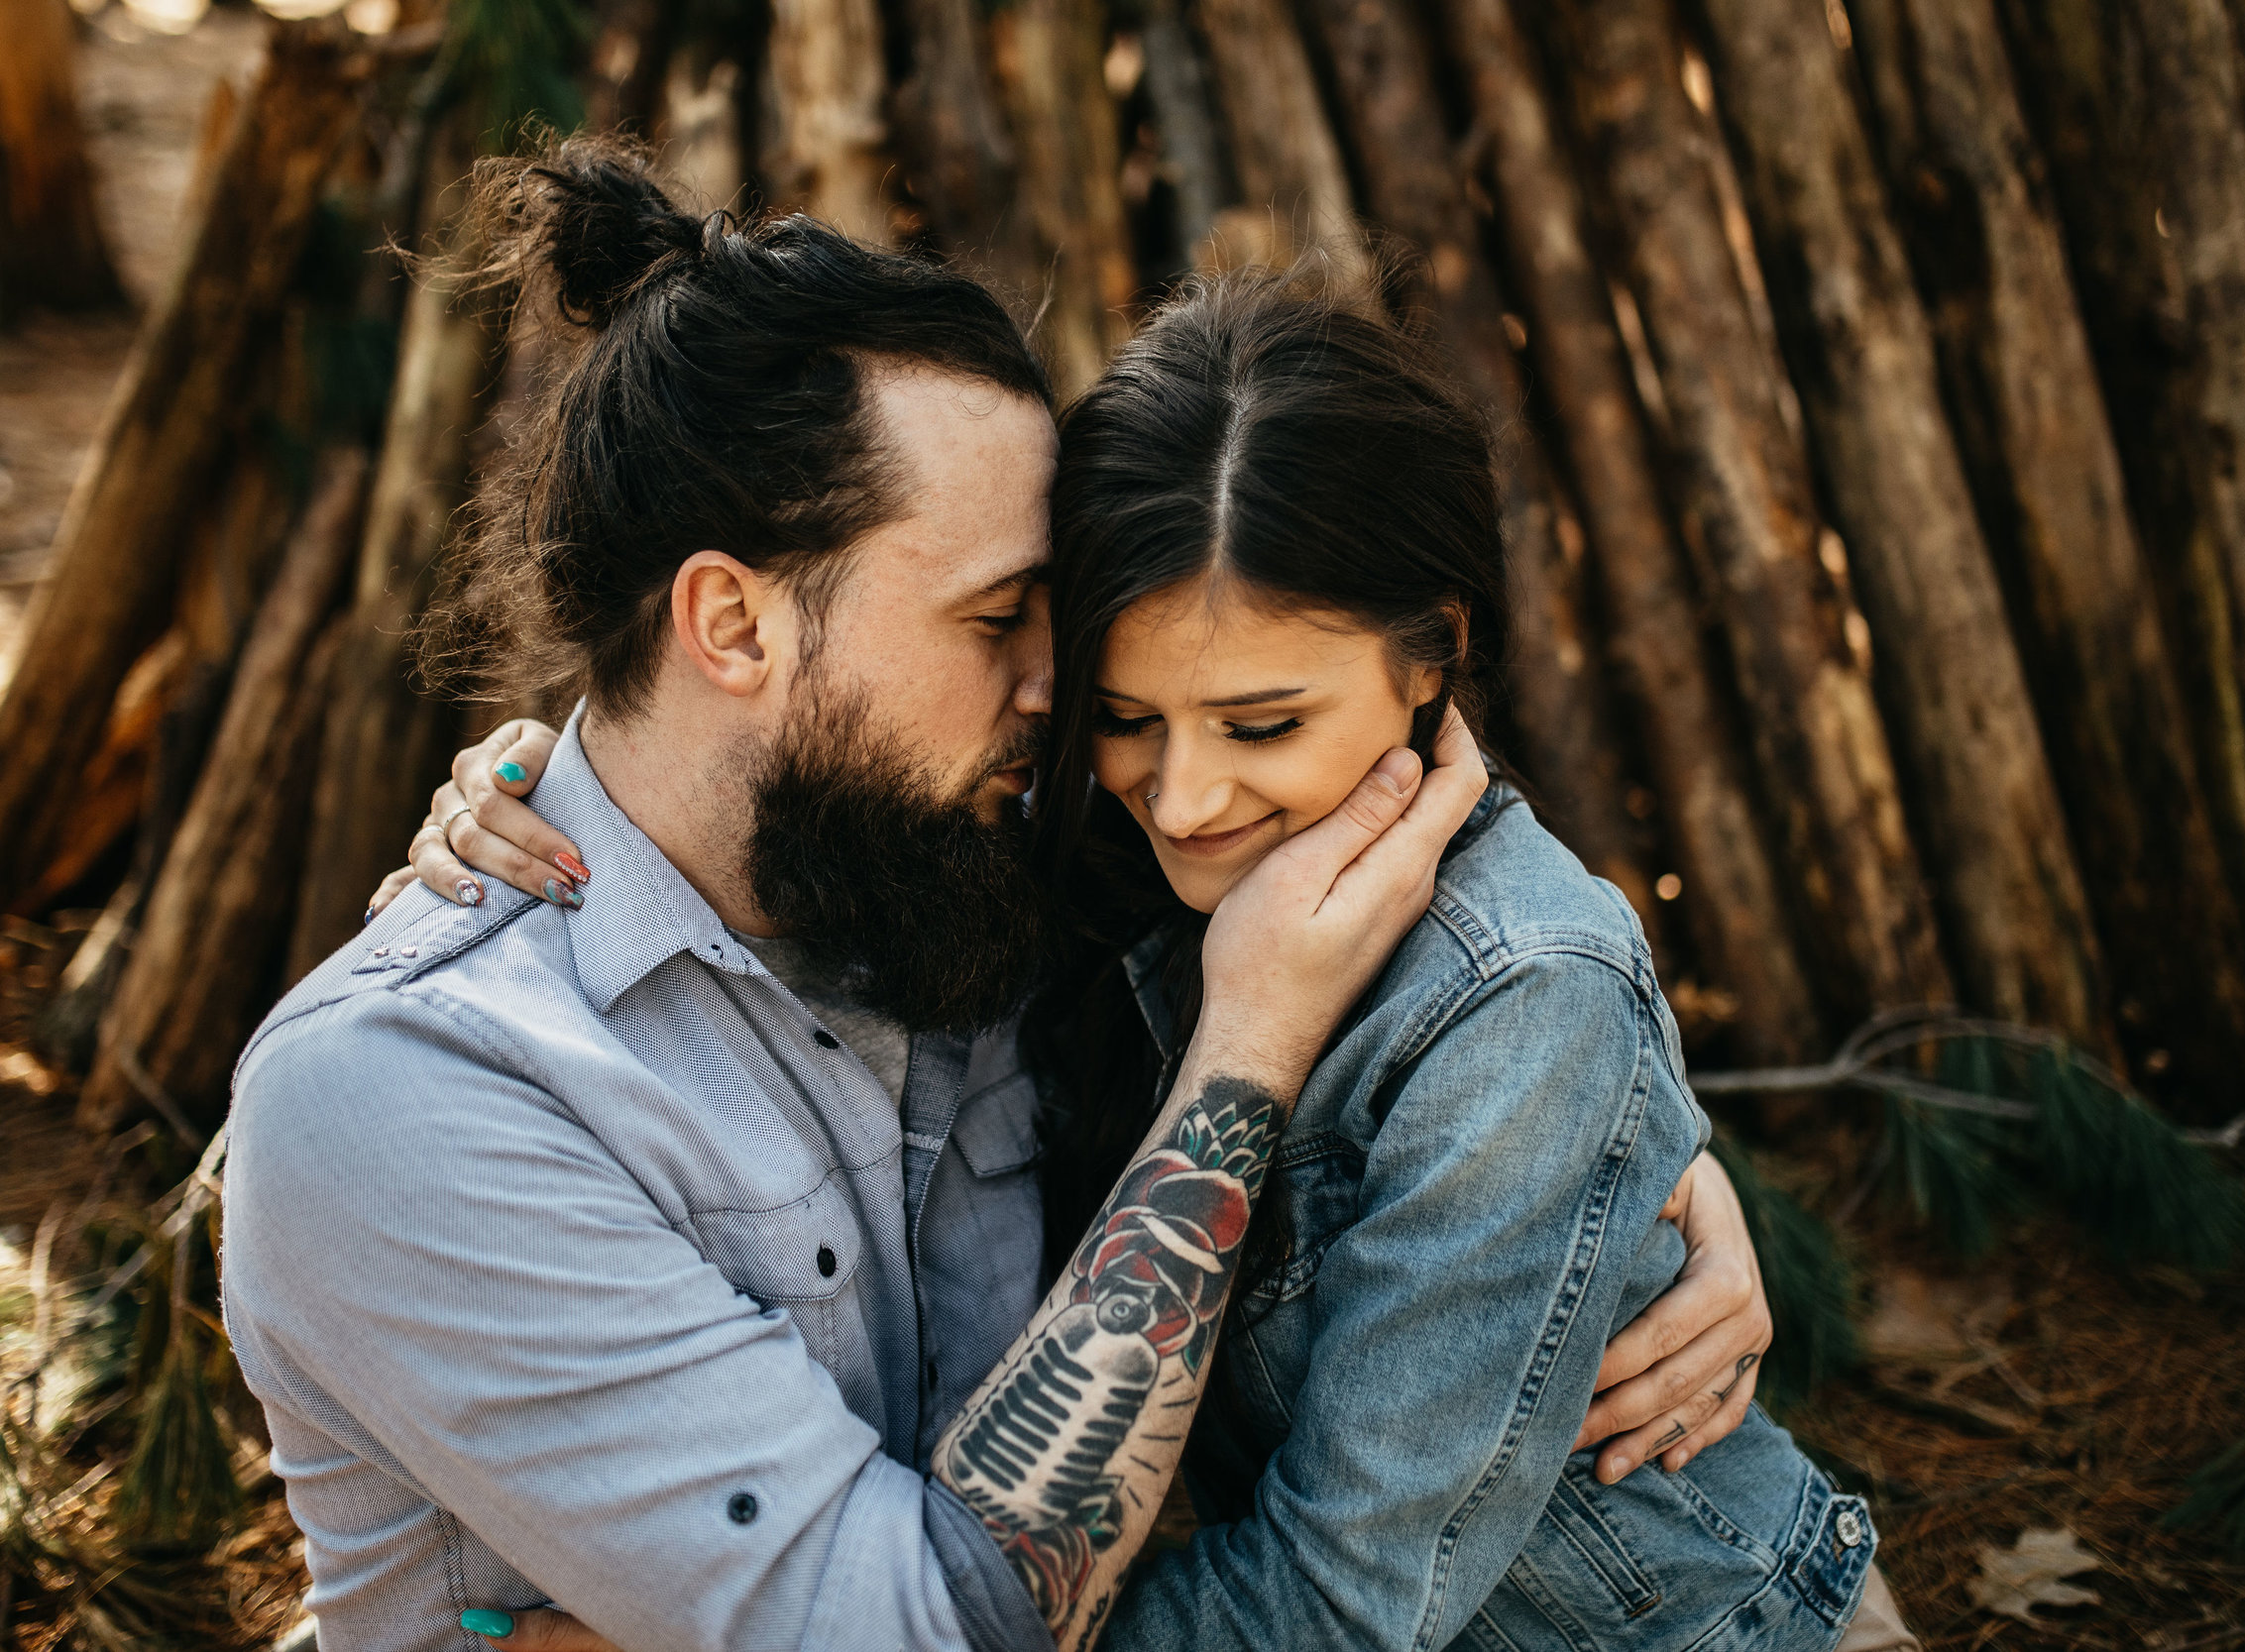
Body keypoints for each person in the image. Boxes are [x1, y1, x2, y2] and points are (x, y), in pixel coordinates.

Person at [223, 139, 1779, 1652]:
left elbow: (1469, 967)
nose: (1067, 689)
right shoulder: (412, 1090)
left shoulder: (944, 887)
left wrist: (1633, 1153)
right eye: (998, 620)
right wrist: (1245, 1055)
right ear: (732, 626)